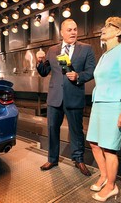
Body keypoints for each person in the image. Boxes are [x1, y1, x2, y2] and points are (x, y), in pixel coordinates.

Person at [86, 17, 121, 202]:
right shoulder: (105, 54)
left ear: (119, 32)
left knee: (109, 149)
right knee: (94, 143)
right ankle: (104, 175)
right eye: (104, 25)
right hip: (99, 103)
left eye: (109, 26)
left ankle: (111, 186)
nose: (104, 28)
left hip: (114, 105)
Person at [36, 19, 96, 176]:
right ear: (61, 33)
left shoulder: (86, 49)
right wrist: (39, 61)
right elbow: (43, 72)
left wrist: (78, 76)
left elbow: (91, 71)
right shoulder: (53, 50)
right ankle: (52, 159)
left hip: (74, 96)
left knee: (76, 131)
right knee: (52, 130)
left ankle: (79, 160)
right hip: (55, 97)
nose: (73, 32)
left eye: (75, 29)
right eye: (69, 30)